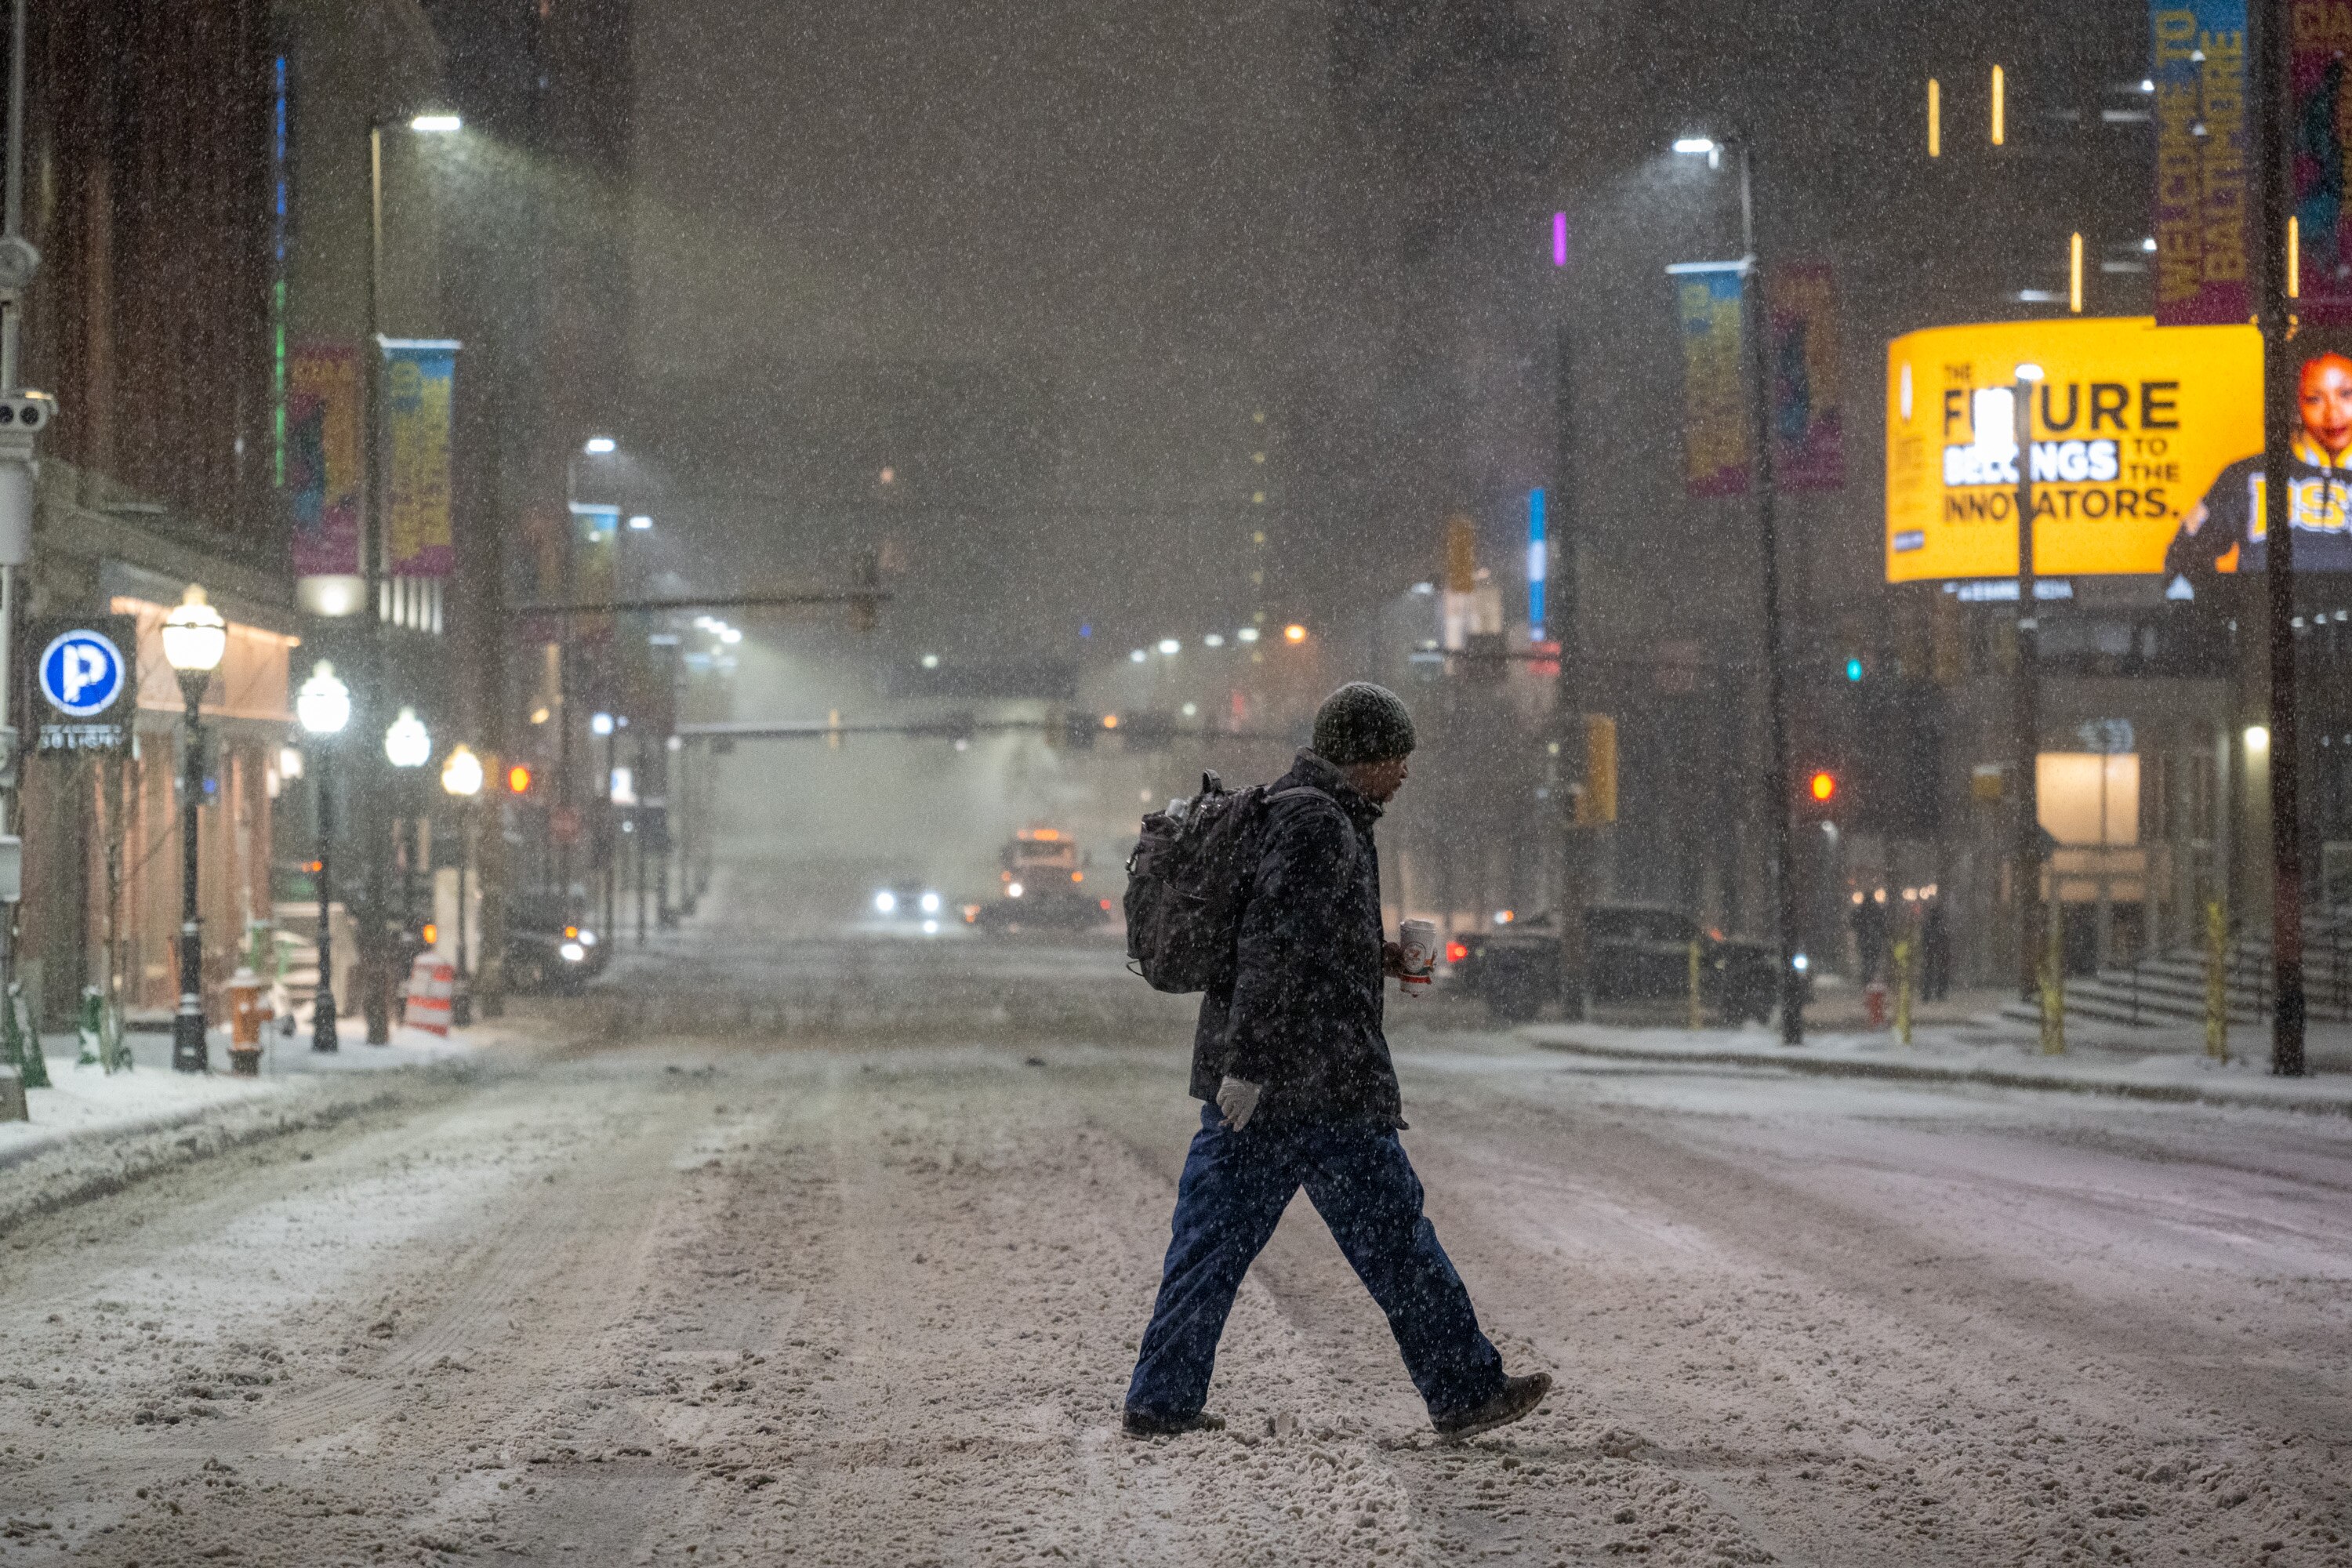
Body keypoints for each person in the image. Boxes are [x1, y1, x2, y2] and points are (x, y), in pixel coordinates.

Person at [1123, 681, 1552, 1440]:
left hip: (1279, 1079)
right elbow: (1275, 947)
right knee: (1395, 1241)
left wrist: (1379, 955)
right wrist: (1249, 1067)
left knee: (1211, 1247)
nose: (1406, 771)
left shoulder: (1302, 810)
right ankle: (1462, 1389)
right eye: (1398, 755)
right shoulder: (1319, 824)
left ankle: (1162, 1399)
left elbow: (1301, 937)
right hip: (1312, 1081)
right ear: (1365, 755)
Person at [2165, 350, 2352, 589]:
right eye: (2314, 399)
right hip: (2270, 623)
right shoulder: (2249, 474)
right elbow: (2184, 555)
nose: (2333, 414)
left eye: (2346, 394)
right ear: (2294, 403)